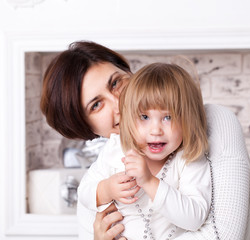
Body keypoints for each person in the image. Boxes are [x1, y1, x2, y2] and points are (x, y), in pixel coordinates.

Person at [40, 41, 250, 240]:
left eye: (115, 83)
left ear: (128, 72)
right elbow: (88, 200)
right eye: (96, 105)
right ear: (86, 128)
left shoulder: (209, 126)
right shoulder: (106, 167)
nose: (119, 103)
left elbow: (224, 235)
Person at [78, 63, 211, 239]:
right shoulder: (116, 149)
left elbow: (195, 218)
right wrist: (107, 189)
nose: (155, 130)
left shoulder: (188, 158)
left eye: (168, 117)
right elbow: (84, 192)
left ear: (189, 120)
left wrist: (149, 181)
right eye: (144, 117)